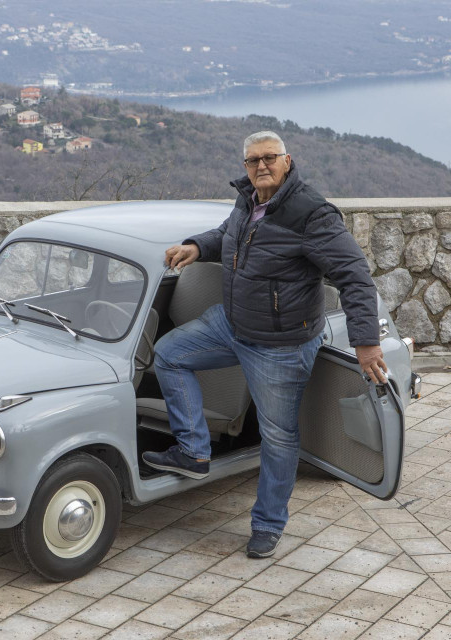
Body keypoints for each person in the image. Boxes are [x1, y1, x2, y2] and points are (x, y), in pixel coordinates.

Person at [142, 131, 387, 558]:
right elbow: (228, 236)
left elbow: (355, 276)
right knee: (169, 354)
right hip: (233, 324)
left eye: (269, 158)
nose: (261, 166)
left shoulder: (312, 214)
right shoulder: (248, 198)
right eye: (253, 160)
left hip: (281, 345)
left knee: (279, 436)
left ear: (287, 161)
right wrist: (197, 246)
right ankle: (194, 451)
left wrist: (366, 342)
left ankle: (268, 524)